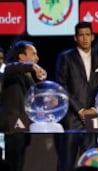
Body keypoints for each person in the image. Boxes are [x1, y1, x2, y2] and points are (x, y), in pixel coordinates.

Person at [55, 22, 98, 171]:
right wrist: (80, 110)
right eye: (81, 35)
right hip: (72, 117)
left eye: (87, 35)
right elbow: (61, 86)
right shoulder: (66, 57)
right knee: (67, 162)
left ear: (92, 37)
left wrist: (93, 109)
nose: (85, 38)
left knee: (90, 161)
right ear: (75, 38)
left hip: (93, 117)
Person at [1, 40, 47, 171]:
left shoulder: (26, 75)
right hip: (12, 128)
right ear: (21, 56)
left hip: (23, 128)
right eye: (33, 54)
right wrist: (31, 66)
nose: (37, 58)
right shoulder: (9, 71)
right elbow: (9, 68)